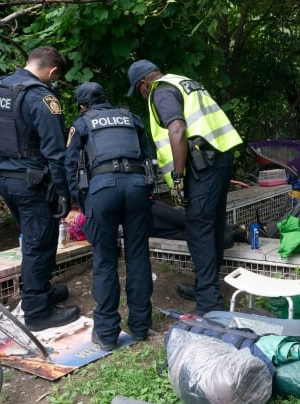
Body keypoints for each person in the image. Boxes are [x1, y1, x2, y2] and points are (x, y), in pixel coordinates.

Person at [127, 59, 243, 315]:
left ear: (144, 83)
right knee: (212, 224)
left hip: (203, 165)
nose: (143, 96)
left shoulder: (161, 90)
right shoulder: (183, 81)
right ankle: (205, 287)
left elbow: (177, 129)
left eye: (139, 91)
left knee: (198, 229)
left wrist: (178, 177)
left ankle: (209, 302)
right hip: (220, 157)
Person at [0, 46, 80, 332]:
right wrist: (66, 195)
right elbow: (55, 152)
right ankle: (38, 311)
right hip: (32, 184)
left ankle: (41, 290)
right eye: (55, 78)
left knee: (33, 238)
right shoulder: (41, 97)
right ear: (52, 72)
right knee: (40, 244)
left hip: (3, 179)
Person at [65, 82, 156, 350]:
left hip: (102, 190)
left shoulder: (82, 123)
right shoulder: (131, 118)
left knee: (104, 259)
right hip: (137, 187)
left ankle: (106, 333)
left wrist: (80, 203)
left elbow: (70, 165)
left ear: (83, 105)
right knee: (138, 255)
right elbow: (148, 157)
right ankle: (141, 326)